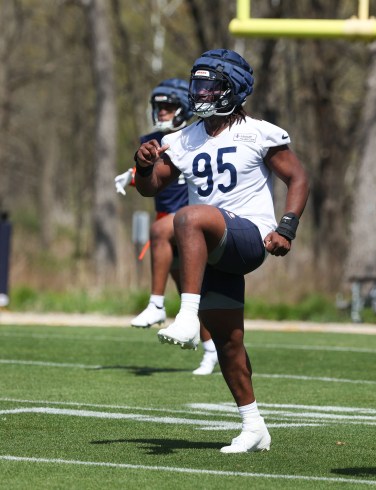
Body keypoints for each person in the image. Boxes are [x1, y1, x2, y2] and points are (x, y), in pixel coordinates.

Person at [134, 49, 310, 453]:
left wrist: (287, 227)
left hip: (250, 237)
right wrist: (143, 165)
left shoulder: (259, 132)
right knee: (230, 342)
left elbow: (297, 177)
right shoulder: (182, 139)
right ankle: (254, 426)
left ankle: (187, 315)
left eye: (211, 85)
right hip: (213, 250)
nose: (202, 92)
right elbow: (151, 187)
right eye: (198, 84)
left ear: (234, 89)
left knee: (188, 216)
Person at [115, 78, 219, 376]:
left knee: (160, 232)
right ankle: (211, 351)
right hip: (168, 223)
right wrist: (134, 174)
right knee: (192, 295)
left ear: (184, 109)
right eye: (159, 107)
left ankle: (157, 305)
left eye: (169, 106)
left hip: (191, 220)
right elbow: (155, 174)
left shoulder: (192, 137)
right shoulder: (151, 139)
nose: (162, 112)